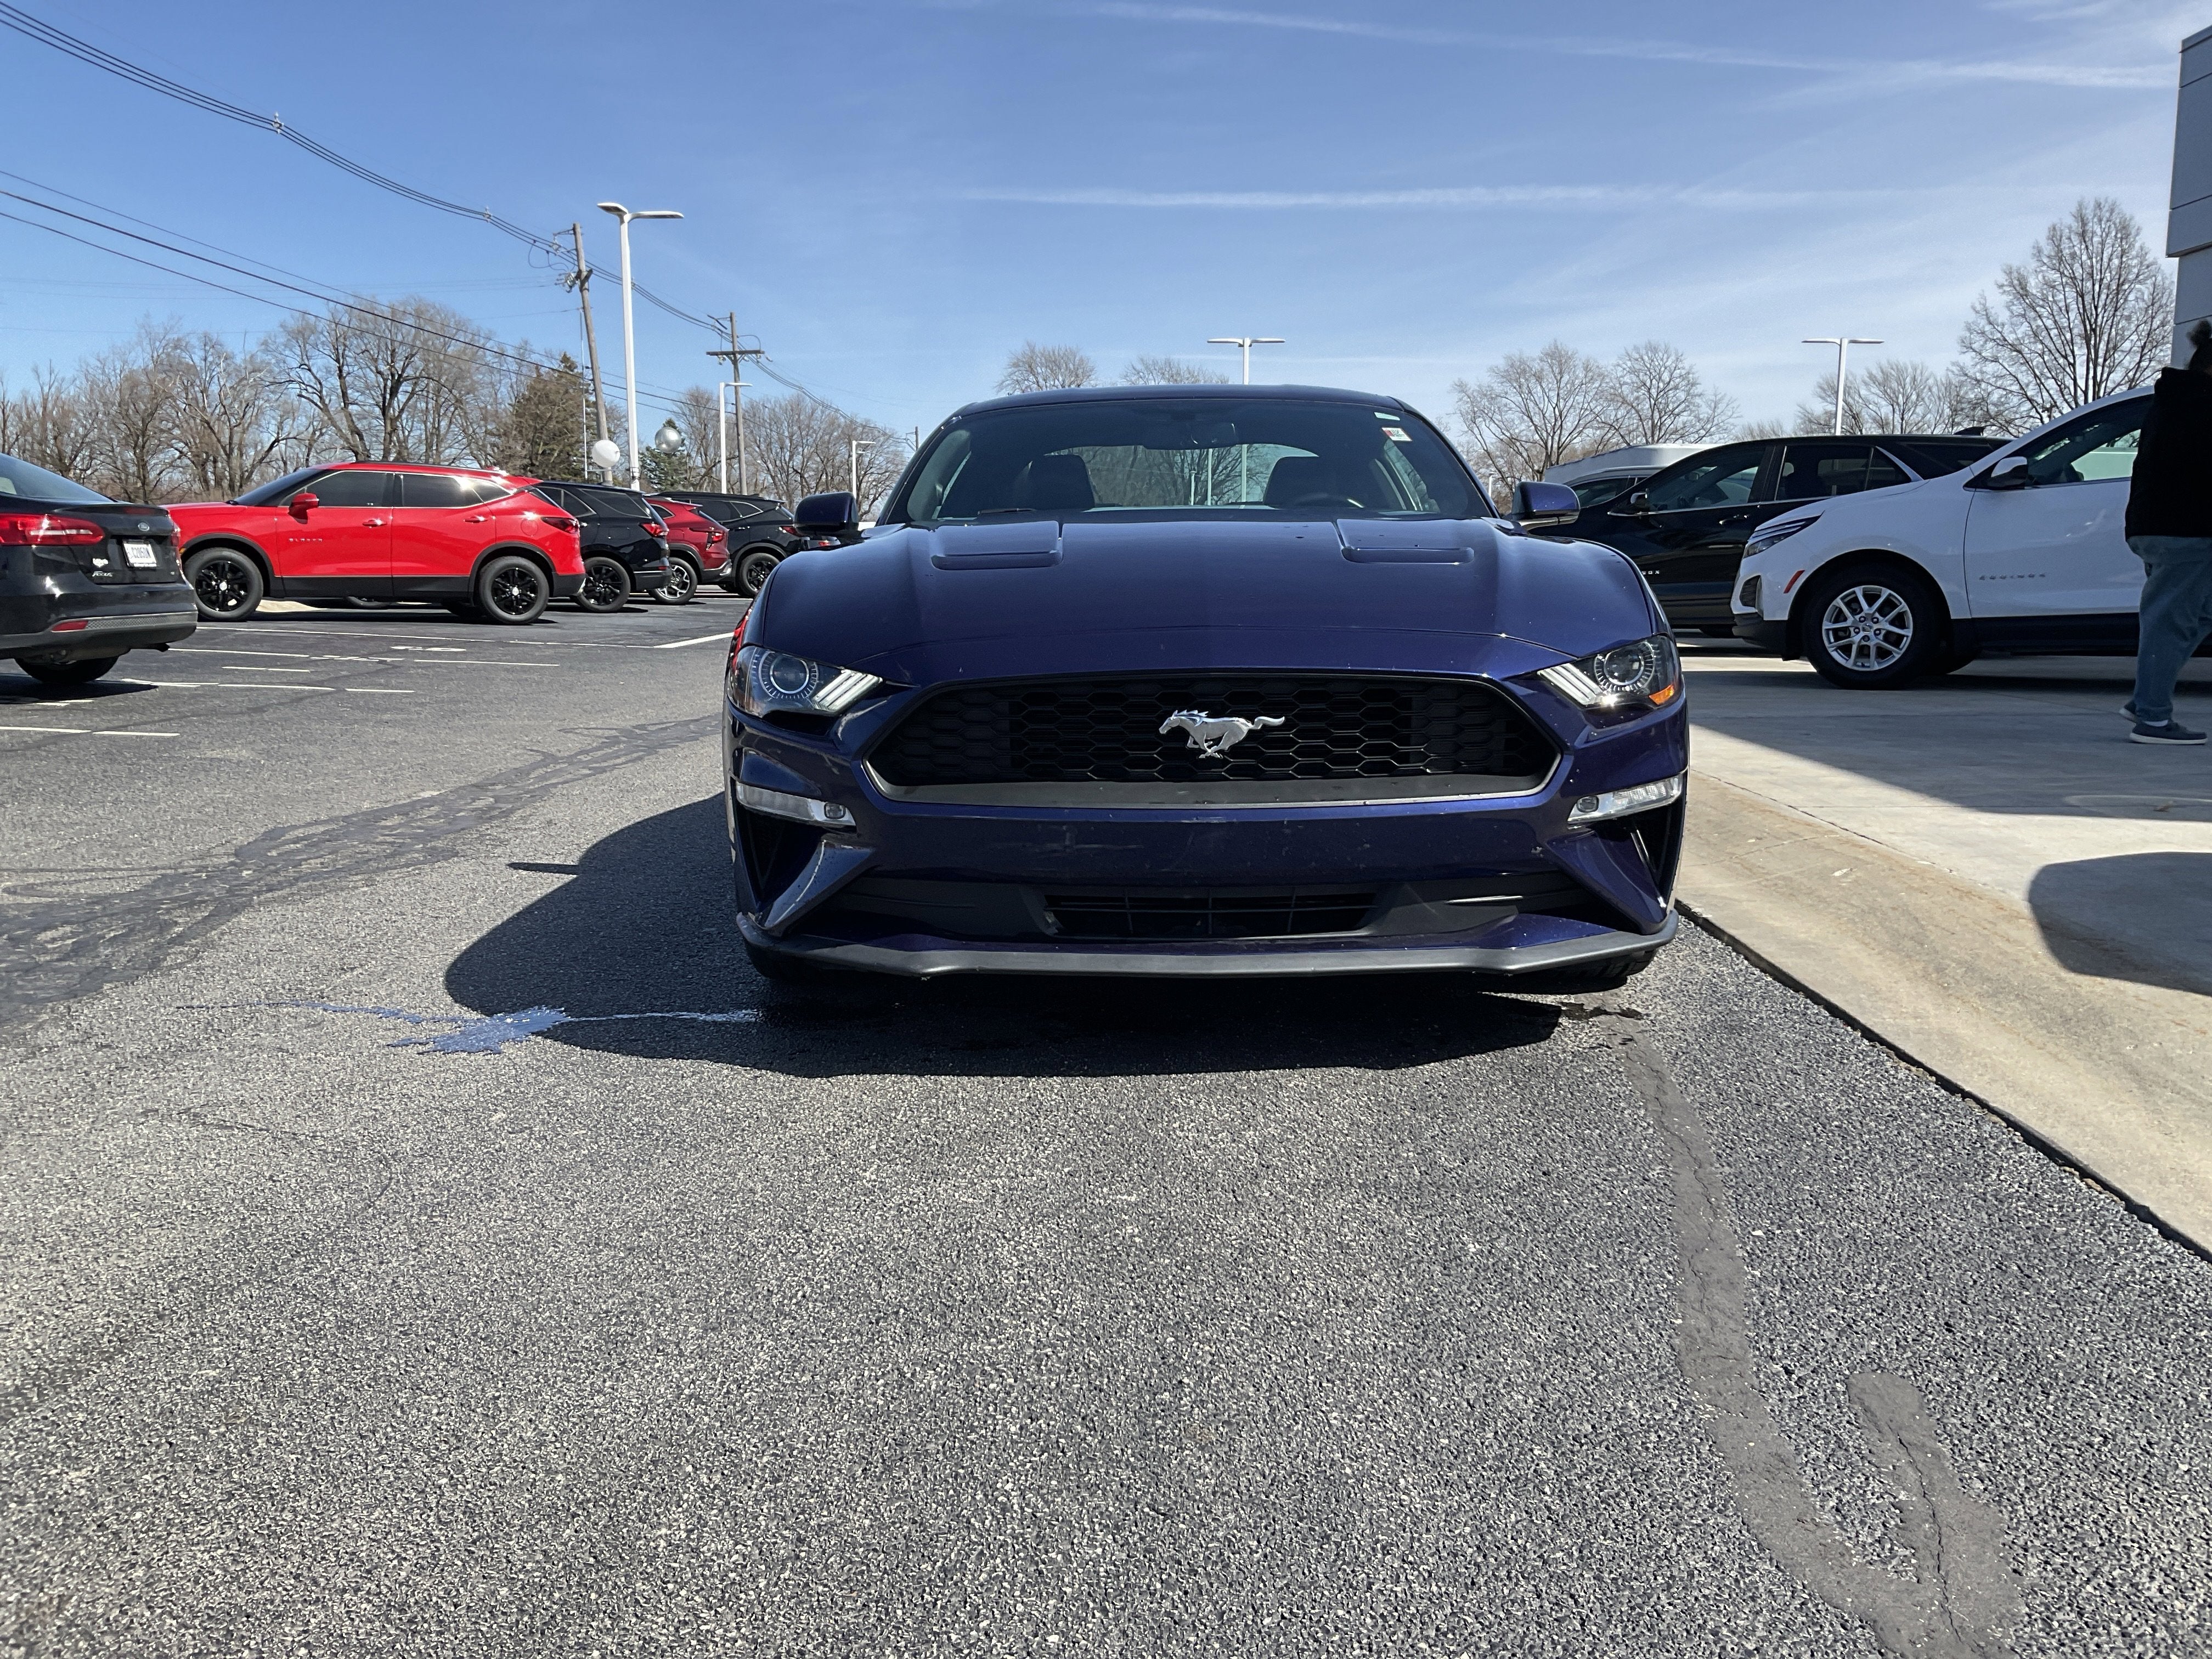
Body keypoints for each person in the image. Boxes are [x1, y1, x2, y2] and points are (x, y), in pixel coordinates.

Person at [2123, 318, 2212, 744]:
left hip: (2161, 525)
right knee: (2169, 622)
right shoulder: (2199, 409)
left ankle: (2145, 700)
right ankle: (2154, 719)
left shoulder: (2175, 402)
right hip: (2185, 530)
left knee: (2202, 612)